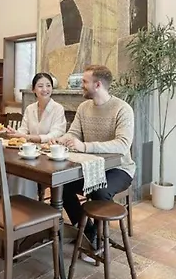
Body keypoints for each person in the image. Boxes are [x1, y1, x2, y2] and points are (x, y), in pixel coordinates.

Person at [52, 64, 135, 258]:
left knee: (100, 191)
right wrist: (62, 139)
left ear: (97, 85)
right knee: (61, 186)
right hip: (90, 167)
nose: (81, 85)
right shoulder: (83, 107)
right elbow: (74, 133)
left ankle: (99, 240)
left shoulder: (123, 109)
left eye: (84, 82)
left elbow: (122, 145)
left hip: (119, 168)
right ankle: (88, 231)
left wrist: (85, 147)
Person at [5, 72, 66, 197]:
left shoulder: (58, 108)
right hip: (30, 153)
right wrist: (16, 134)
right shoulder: (30, 108)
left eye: (48, 85)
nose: (45, 89)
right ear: (33, 89)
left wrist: (27, 137)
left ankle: (29, 204)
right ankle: (14, 202)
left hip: (48, 156)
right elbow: (23, 130)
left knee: (25, 168)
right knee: (15, 166)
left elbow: (54, 135)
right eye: (40, 86)